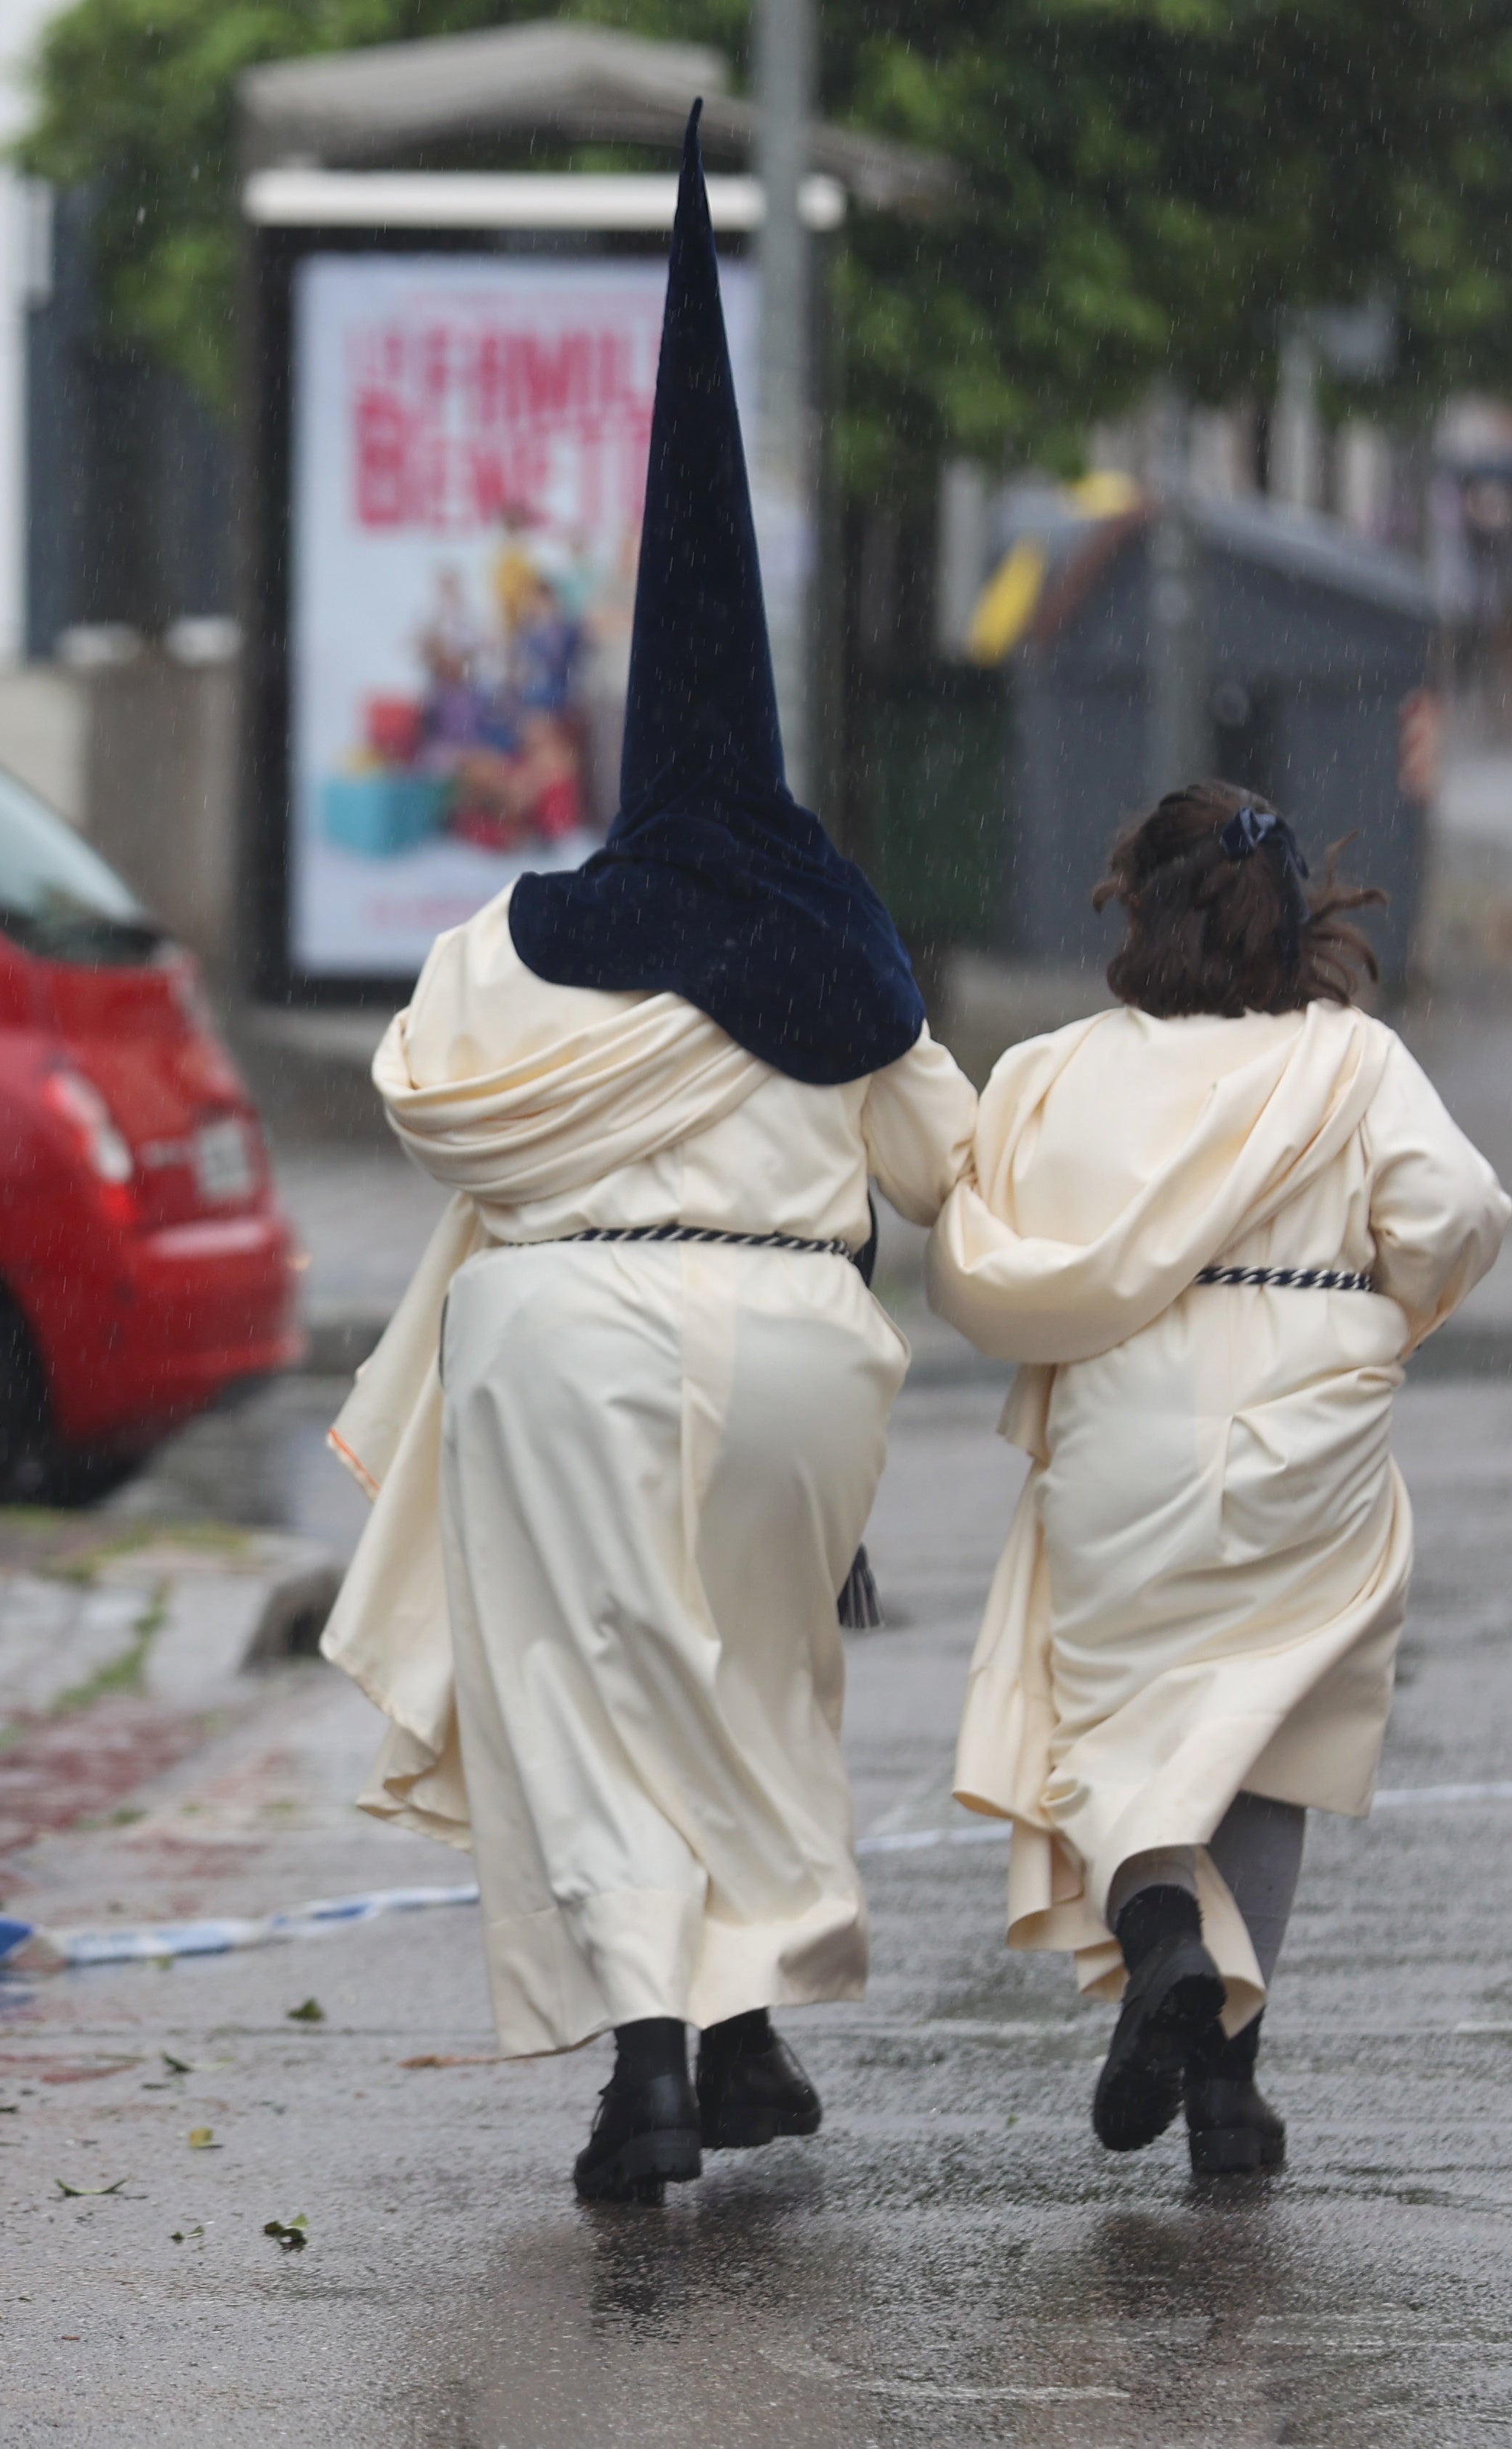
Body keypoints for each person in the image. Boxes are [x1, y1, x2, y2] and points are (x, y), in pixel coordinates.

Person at [320, 114, 977, 2204]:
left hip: (557, 1352)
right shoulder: (835, 934)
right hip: (793, 1354)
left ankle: (650, 2074)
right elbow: (947, 1164)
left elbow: (423, 1102)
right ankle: (746, 2031)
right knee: (750, 1688)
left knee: (588, 1701)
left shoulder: (520, 936)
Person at [928, 784, 1507, 2173]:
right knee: (1263, 1740)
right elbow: (1454, 1210)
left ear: (1140, 909)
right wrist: (1378, 1315)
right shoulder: (1352, 1062)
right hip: (1313, 1415)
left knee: (1107, 1718)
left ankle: (1160, 1934)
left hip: (1126, 1412)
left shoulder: (1054, 1072)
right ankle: (1228, 2093)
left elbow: (976, 1229)